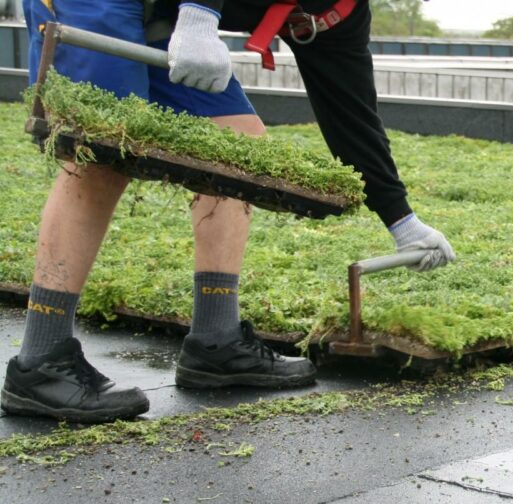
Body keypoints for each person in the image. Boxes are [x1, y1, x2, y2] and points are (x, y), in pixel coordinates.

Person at [1, 0, 455, 423]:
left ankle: (215, 341)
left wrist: (402, 220)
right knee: (101, 150)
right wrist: (200, 15)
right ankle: (41, 359)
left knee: (237, 148)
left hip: (166, 10)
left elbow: (350, 116)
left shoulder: (341, 11)